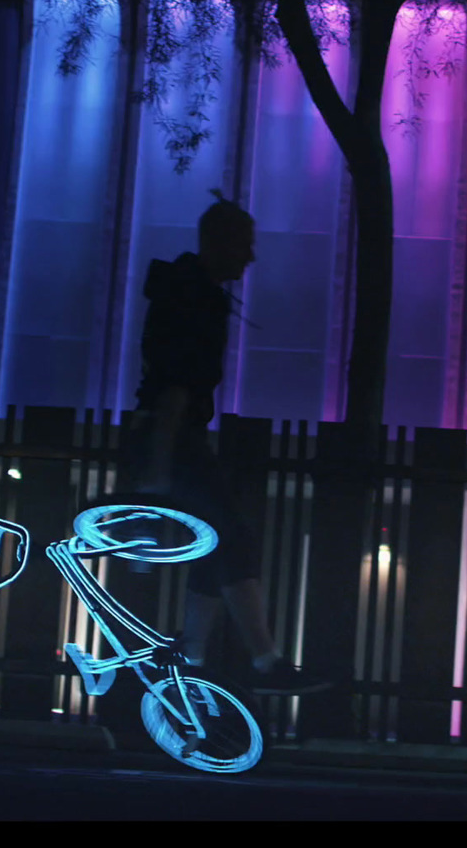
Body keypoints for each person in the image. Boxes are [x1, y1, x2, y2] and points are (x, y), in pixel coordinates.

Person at [123, 190, 331, 696]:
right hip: (173, 436)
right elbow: (177, 384)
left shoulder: (188, 292)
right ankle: (262, 661)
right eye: (245, 245)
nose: (252, 257)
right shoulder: (194, 299)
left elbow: (173, 382)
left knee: (218, 541)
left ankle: (193, 653)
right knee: (231, 536)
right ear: (220, 244)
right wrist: (158, 468)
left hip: (172, 435)